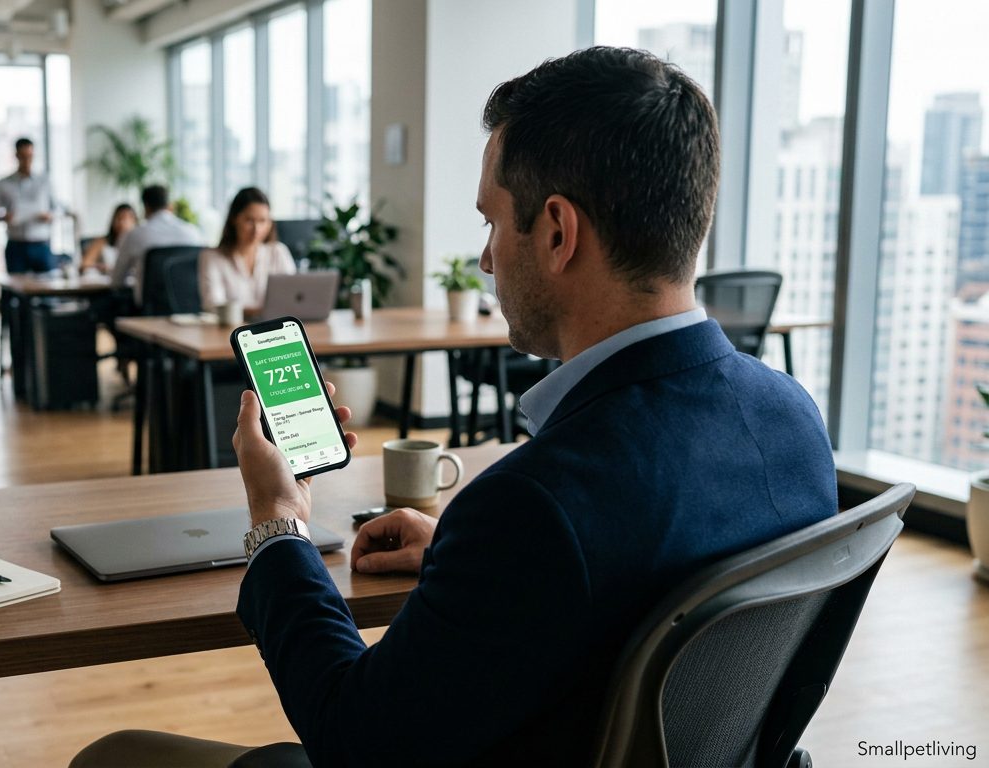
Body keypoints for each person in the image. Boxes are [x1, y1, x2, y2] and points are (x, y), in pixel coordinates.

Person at [75, 47, 840, 766]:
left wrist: (279, 524)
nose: (483, 256)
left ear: (557, 231)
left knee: (111, 756)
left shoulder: (535, 506)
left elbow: (354, 737)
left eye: (492, 220)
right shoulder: (794, 423)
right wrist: (461, 555)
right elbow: (637, 574)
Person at [198, 187, 296, 315]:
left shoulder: (278, 252)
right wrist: (259, 312)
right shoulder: (212, 257)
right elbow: (212, 305)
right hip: (231, 330)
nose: (256, 229)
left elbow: (293, 296)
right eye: (249, 220)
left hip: (274, 328)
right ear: (234, 219)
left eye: (263, 221)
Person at [109, 184, 202, 306]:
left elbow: (117, 281)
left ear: (146, 207)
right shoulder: (194, 232)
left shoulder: (134, 235)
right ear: (170, 205)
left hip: (149, 312)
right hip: (192, 309)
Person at [0, 137, 61, 274]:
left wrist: (50, 216)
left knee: (47, 289)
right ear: (16, 156)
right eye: (23, 157)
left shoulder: (45, 181)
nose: (27, 161)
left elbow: (58, 209)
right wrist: (5, 217)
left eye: (30, 156)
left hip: (42, 244)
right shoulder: (3, 183)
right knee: (15, 290)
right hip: (16, 246)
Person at [80, 203, 137, 275]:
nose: (123, 223)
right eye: (120, 218)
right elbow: (84, 265)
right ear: (113, 221)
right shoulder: (101, 242)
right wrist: (101, 267)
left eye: (129, 218)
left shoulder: (137, 243)